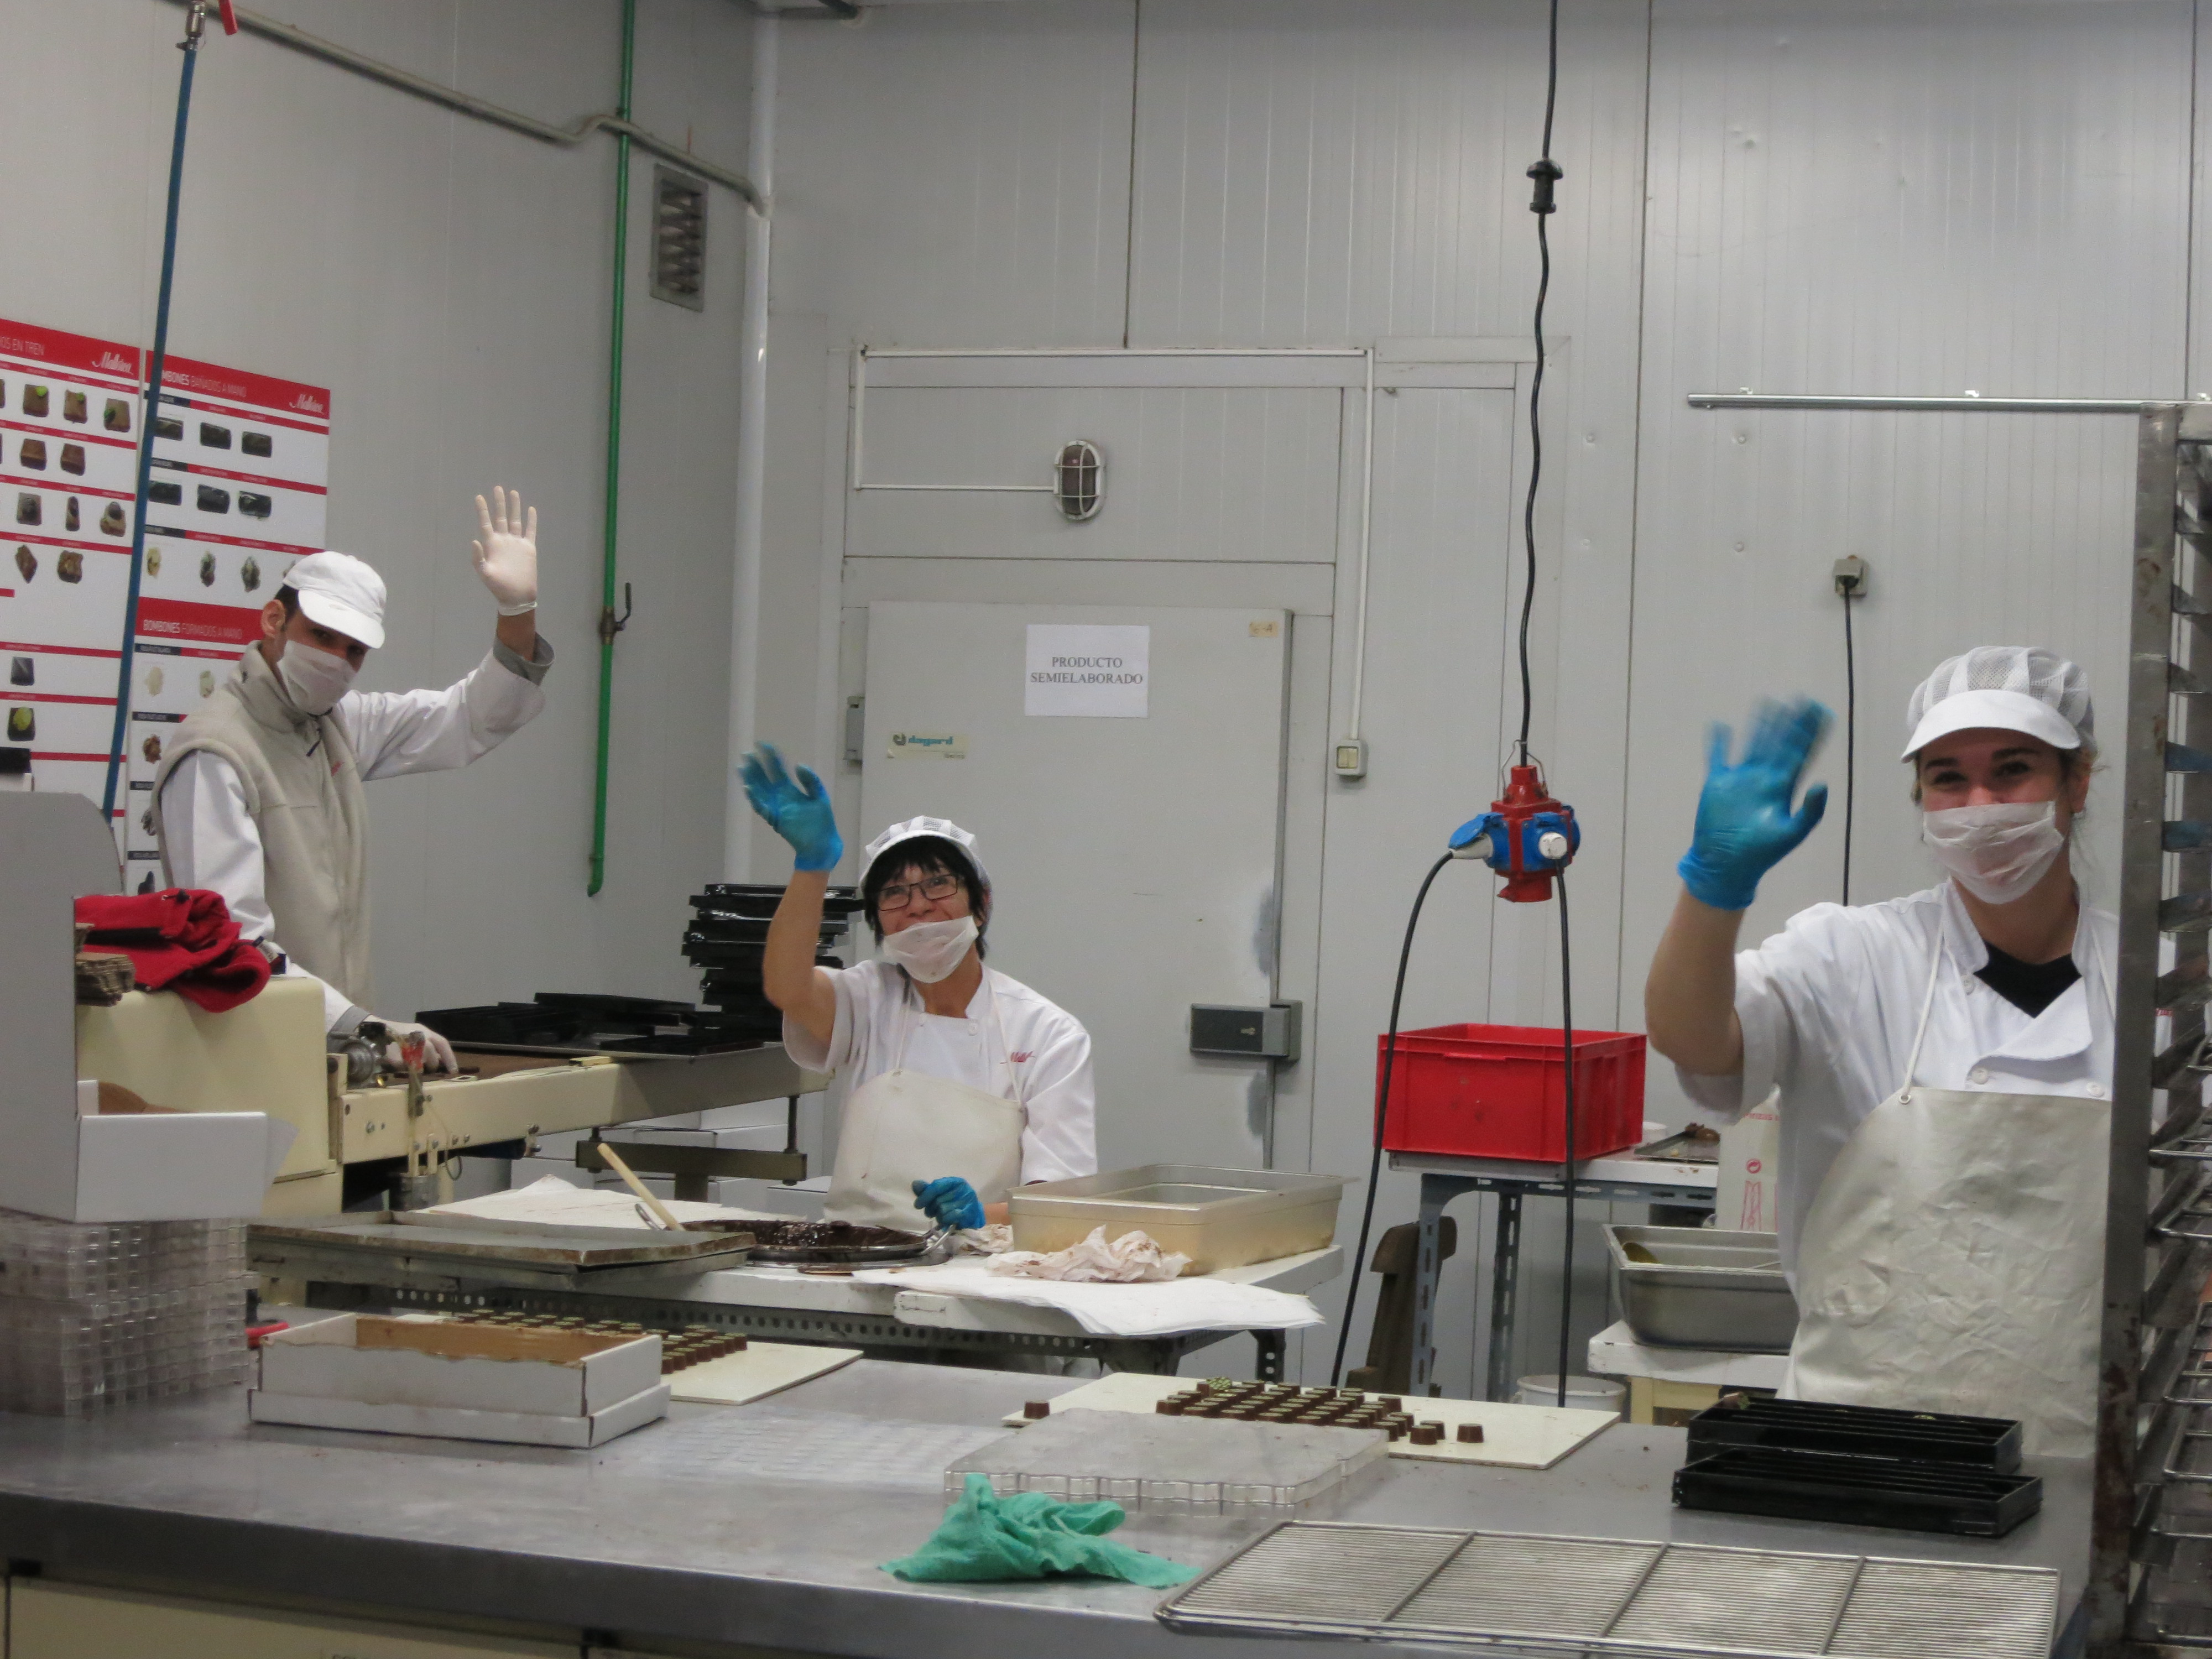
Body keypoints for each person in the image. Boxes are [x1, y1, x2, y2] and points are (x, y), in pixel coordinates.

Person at [1644, 646, 2114, 1456]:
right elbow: (1693, 1038)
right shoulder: (1852, 955)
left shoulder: (2153, 980)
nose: (1980, 806)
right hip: (1856, 1437)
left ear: (2078, 783)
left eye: (2013, 771)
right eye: (1947, 779)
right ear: (1921, 797)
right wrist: (1713, 888)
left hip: (2084, 1446)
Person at [154, 489, 552, 1073]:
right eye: (322, 637)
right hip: (246, 1057)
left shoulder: (335, 728)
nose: (337, 661)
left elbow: (470, 717)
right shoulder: (215, 754)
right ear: (273, 620)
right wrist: (356, 1027)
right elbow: (230, 942)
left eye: (354, 650)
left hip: (334, 1055)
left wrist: (517, 616)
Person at [741, 745, 1097, 1232]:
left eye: (938, 884)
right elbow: (788, 987)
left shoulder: (1046, 1033)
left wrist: (980, 1217)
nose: (918, 906)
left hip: (982, 1261)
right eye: (894, 893)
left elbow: (1061, 1202)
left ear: (982, 904)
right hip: (856, 1253)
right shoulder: (867, 997)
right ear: (878, 921)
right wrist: (812, 865)